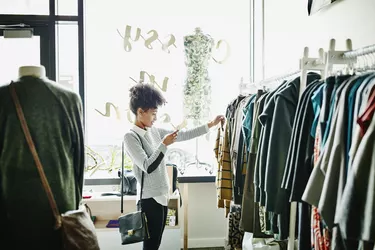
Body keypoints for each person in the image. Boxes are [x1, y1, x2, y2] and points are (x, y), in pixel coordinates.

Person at [123, 83, 224, 250]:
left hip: (163, 196)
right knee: (150, 246)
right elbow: (148, 166)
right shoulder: (131, 137)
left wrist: (210, 125)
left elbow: (185, 135)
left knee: (156, 243)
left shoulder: (154, 131)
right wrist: (164, 144)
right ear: (140, 112)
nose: (155, 118)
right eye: (153, 114)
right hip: (149, 200)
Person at [0, 66, 85, 250]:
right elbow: (78, 161)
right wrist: (75, 201)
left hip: (13, 211)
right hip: (62, 212)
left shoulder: (3, 97)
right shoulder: (69, 99)